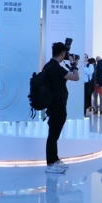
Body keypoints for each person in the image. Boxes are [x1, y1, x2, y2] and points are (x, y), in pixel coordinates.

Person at [43, 42, 80, 173]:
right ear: (63, 54)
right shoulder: (56, 68)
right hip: (57, 105)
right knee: (53, 136)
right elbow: (76, 77)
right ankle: (50, 164)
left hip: (53, 104)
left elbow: (63, 78)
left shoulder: (49, 66)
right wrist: (74, 64)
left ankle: (55, 160)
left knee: (54, 134)